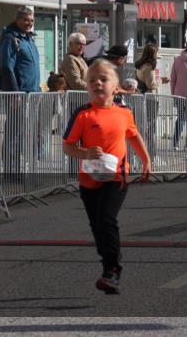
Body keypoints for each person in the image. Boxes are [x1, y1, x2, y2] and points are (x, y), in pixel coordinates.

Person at [63, 59, 152, 295]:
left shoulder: (124, 113)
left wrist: (146, 159)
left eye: (104, 79)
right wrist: (85, 153)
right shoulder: (82, 114)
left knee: (106, 219)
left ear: (116, 87)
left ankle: (113, 269)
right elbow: (68, 146)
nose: (98, 83)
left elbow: (133, 136)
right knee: (97, 226)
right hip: (89, 179)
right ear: (87, 87)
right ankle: (107, 268)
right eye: (92, 80)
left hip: (116, 178)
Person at [0, 6, 41, 181]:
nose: (29, 23)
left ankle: (19, 170)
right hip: (18, 95)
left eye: (31, 20)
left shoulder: (29, 39)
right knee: (13, 134)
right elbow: (6, 68)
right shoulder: (10, 39)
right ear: (17, 20)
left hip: (31, 94)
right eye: (26, 20)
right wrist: (15, 93)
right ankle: (11, 173)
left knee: (23, 133)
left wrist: (38, 91)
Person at [134, 44, 169, 158]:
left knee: (145, 126)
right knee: (151, 127)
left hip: (143, 97)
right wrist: (161, 80)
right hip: (151, 98)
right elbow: (151, 84)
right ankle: (150, 154)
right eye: (156, 52)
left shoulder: (140, 65)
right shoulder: (148, 67)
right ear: (152, 54)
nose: (156, 55)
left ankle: (145, 153)